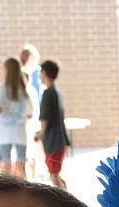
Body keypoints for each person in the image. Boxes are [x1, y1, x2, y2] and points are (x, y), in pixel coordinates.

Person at [0, 56, 32, 177]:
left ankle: (8, 192)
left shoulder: (0, 90)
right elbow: (29, 114)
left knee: (6, 166)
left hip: (4, 131)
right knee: (22, 165)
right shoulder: (24, 91)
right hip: (20, 130)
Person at [35, 59, 70, 189]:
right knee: (55, 174)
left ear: (44, 72)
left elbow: (45, 117)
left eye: (40, 72)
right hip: (58, 140)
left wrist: (39, 133)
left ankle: (65, 200)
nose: (39, 75)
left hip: (53, 141)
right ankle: (66, 195)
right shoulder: (56, 91)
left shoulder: (48, 93)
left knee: (54, 175)